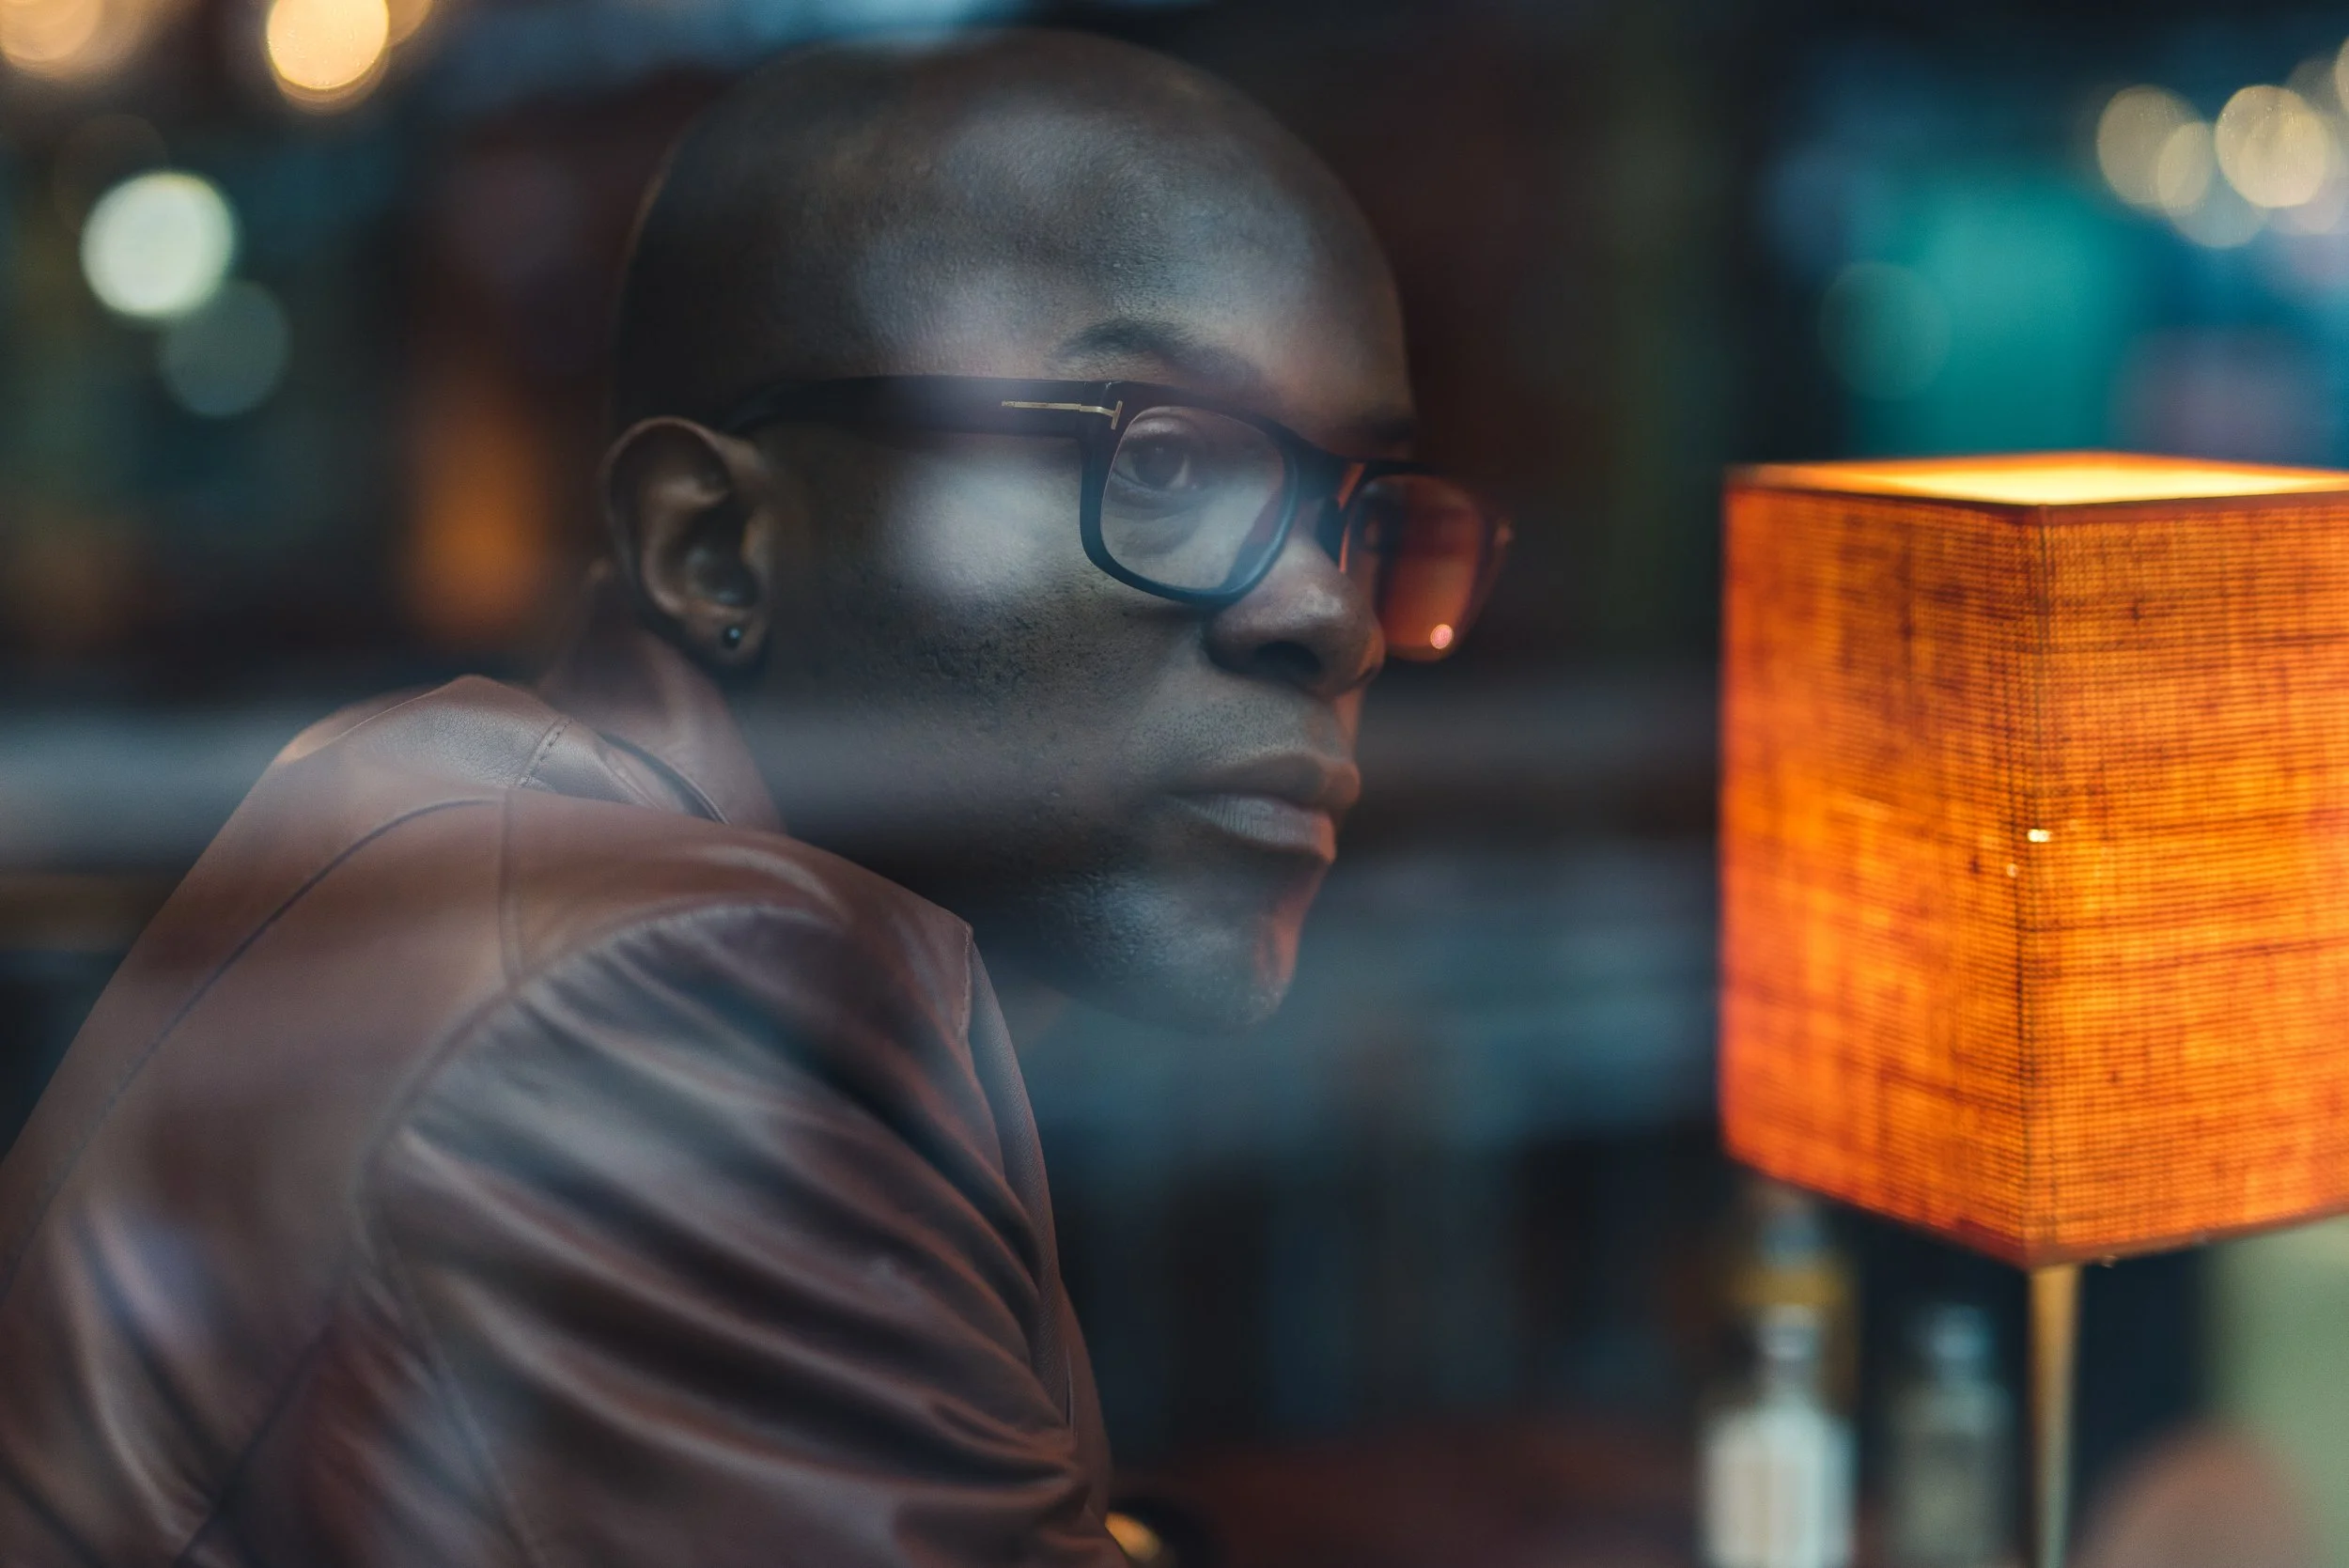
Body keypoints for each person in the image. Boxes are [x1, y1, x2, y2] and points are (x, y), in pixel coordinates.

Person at [0, 29, 1505, 1567]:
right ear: (710, 546)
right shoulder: (652, 1012)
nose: (1333, 613)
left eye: (1360, 511)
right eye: (1169, 465)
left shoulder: (534, 846)